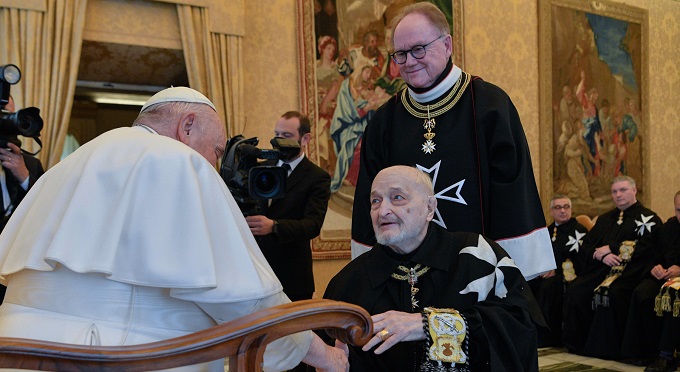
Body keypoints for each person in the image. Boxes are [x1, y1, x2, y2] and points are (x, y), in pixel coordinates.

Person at [0, 87, 347, 372]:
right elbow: (247, 301)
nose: (213, 164)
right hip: (124, 356)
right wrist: (325, 357)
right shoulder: (179, 161)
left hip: (19, 352)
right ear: (187, 125)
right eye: (215, 152)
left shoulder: (74, 160)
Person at [350, 2, 554, 280]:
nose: (409, 61)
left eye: (419, 49)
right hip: (406, 279)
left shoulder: (490, 105)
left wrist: (510, 273)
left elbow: (512, 192)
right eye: (400, 54)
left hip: (479, 276)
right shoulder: (384, 121)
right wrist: (370, 273)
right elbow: (368, 198)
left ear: (447, 45)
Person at [325, 165, 545, 371]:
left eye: (397, 198)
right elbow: (329, 353)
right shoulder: (348, 282)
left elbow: (520, 326)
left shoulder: (478, 256)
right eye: (375, 201)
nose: (383, 211)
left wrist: (428, 325)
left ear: (430, 208)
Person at [562, 176, 662, 359]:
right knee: (576, 290)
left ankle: (613, 350)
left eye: (623, 190)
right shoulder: (605, 219)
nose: (618, 195)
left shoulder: (649, 219)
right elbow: (587, 246)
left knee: (612, 292)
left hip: (631, 272)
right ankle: (578, 345)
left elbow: (649, 249)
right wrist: (602, 255)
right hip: (600, 270)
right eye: (614, 191)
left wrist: (613, 248)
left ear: (634, 191)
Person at [245, 111, 331, 303]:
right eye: (277, 135)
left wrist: (274, 226)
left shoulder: (317, 178)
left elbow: (312, 225)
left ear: (305, 138)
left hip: (293, 278)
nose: (279, 141)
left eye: (287, 136)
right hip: (255, 274)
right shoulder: (259, 169)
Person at [619, 190, 680, 370]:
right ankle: (647, 352)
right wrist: (655, 267)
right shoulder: (668, 228)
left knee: (671, 295)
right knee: (643, 293)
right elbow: (654, 255)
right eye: (678, 210)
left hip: (676, 283)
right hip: (665, 277)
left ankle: (667, 355)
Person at [0, 94, 45, 303]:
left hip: (16, 267)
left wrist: (24, 176)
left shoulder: (31, 165)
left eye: (8, 115)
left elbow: (46, 212)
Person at [529, 195, 588, 347]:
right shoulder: (545, 232)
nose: (562, 211)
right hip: (544, 273)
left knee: (549, 287)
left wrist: (557, 271)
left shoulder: (579, 231)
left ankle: (549, 336)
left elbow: (581, 261)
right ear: (551, 211)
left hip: (567, 277)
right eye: (558, 207)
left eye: (566, 207)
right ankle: (530, 332)